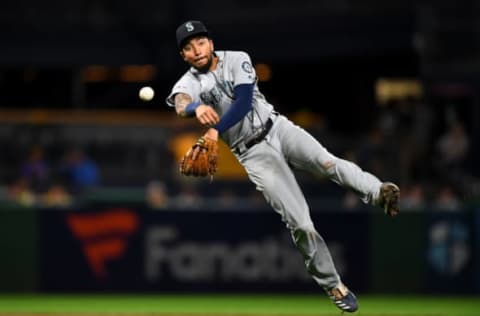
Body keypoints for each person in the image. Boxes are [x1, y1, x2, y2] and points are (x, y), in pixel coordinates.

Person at [166, 20, 400, 313]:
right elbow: (180, 102)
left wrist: (214, 130)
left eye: (200, 42)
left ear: (211, 43)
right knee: (300, 223)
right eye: (188, 47)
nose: (196, 49)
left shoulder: (237, 58)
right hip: (252, 154)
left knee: (328, 162)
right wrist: (193, 107)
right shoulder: (189, 82)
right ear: (183, 55)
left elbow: (243, 102)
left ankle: (379, 192)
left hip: (277, 127)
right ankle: (333, 285)